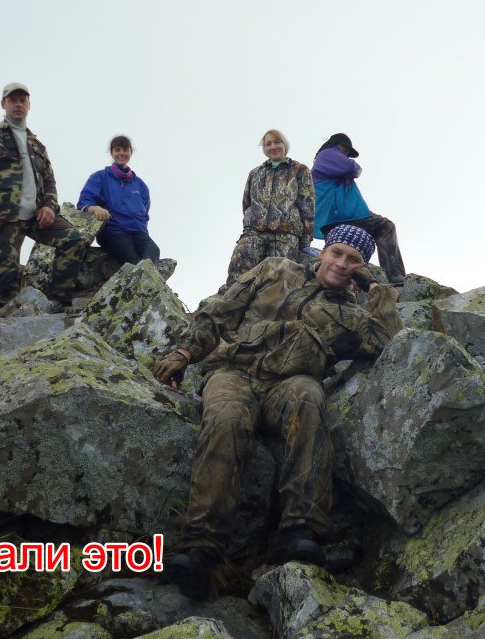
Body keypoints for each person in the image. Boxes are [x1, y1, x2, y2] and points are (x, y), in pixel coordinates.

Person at [153, 224, 403, 599]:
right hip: (233, 374)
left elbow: (390, 342)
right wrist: (184, 353)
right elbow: (219, 313)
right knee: (227, 419)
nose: (341, 263)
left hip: (287, 385)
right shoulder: (275, 268)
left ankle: (302, 531)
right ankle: (201, 548)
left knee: (309, 397)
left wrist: (376, 289)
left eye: (354, 260)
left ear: (361, 267)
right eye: (337, 253)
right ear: (323, 252)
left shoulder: (352, 316)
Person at [0, 83, 88, 310]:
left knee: (74, 239)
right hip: (5, 215)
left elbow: (49, 181)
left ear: (29, 105)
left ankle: (58, 300)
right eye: (13, 100)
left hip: (37, 215)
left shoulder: (37, 145)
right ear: (3, 104)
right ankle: (1, 316)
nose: (18, 104)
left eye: (22, 100)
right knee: (7, 275)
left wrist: (49, 206)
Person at [222, 129, 315, 289]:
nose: (273, 147)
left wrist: (305, 241)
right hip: (254, 233)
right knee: (238, 277)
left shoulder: (300, 170)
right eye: (268, 144)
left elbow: (307, 206)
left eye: (277, 142)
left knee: (278, 284)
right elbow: (247, 203)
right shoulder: (255, 173)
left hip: (285, 236)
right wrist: (249, 226)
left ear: (284, 145)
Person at [311, 133, 407, 285]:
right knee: (385, 227)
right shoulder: (328, 154)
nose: (346, 154)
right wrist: (353, 165)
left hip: (333, 218)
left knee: (342, 255)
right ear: (339, 145)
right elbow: (353, 168)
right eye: (346, 150)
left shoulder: (325, 160)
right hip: (345, 215)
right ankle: (395, 276)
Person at [78, 134, 160, 265]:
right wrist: (95, 208)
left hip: (139, 232)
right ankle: (140, 277)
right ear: (112, 153)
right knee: (132, 261)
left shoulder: (141, 185)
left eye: (125, 149)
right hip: (113, 231)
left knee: (153, 251)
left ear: (131, 152)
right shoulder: (100, 177)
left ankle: (145, 277)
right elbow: (84, 201)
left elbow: (145, 212)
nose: (121, 153)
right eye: (117, 150)